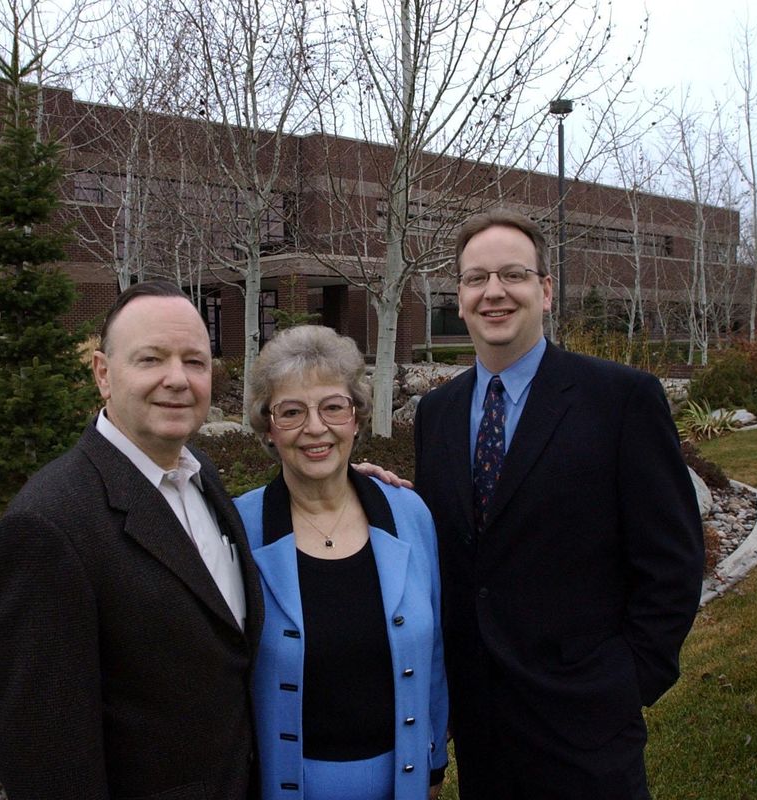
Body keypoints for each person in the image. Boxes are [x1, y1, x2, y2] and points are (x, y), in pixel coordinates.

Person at [413, 210, 704, 798]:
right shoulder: (436, 414)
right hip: (481, 732)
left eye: (513, 275)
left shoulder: (621, 400)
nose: (493, 292)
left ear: (545, 291)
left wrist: (625, 683)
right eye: (475, 279)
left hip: (587, 734)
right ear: (461, 296)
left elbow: (673, 563)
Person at [0, 280, 264, 799]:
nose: (177, 380)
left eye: (195, 362)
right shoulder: (49, 526)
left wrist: (348, 484)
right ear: (103, 374)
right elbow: (43, 758)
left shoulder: (203, 475)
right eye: (152, 359)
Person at [234, 325, 449, 800]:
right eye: (292, 411)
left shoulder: (409, 515)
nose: (316, 427)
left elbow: (434, 655)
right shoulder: (238, 529)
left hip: (403, 785)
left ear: (355, 417)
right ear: (268, 427)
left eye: (333, 406)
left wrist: (434, 766)